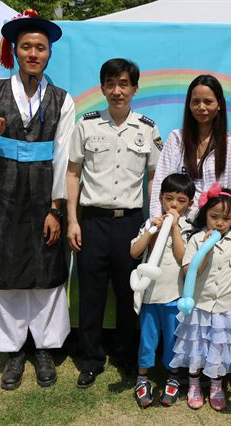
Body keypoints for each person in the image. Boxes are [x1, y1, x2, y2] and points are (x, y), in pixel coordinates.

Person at [0, 9, 75, 390]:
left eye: (40, 47)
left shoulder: (62, 100)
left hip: (44, 196)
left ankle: (44, 348)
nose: (33, 53)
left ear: (48, 54)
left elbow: (63, 158)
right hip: (3, 196)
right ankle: (13, 350)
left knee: (46, 272)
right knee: (4, 271)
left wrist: (56, 209)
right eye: (26, 46)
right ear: (15, 49)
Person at [66, 58, 162, 388]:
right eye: (110, 83)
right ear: (102, 87)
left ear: (135, 89)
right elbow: (73, 173)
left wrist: (152, 224)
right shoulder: (86, 125)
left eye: (123, 84)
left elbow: (155, 178)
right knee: (90, 293)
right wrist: (72, 221)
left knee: (128, 291)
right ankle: (90, 358)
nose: (117, 91)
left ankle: (123, 353)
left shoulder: (148, 129)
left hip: (131, 223)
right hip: (92, 221)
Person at [169, 184, 231, 411]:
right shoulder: (197, 239)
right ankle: (194, 385)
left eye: (226, 218)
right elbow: (190, 271)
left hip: (223, 308)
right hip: (200, 306)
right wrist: (206, 250)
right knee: (196, 349)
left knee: (218, 350)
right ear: (205, 215)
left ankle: (217, 387)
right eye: (214, 216)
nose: (219, 223)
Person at [149, 74, 231, 246]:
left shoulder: (230, 145)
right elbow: (160, 183)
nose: (201, 107)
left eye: (208, 101)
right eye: (195, 101)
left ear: (219, 104)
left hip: (215, 232)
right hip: (176, 228)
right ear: (189, 104)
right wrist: (156, 220)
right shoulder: (176, 139)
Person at [129, 173, 195, 408]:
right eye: (169, 199)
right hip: (149, 296)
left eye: (181, 201)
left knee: (172, 341)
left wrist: (174, 227)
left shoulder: (188, 229)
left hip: (173, 297)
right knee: (147, 340)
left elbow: (182, 256)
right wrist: (149, 232)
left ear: (190, 205)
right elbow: (134, 253)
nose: (174, 205)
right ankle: (142, 377)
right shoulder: (150, 223)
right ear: (160, 198)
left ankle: (173, 377)